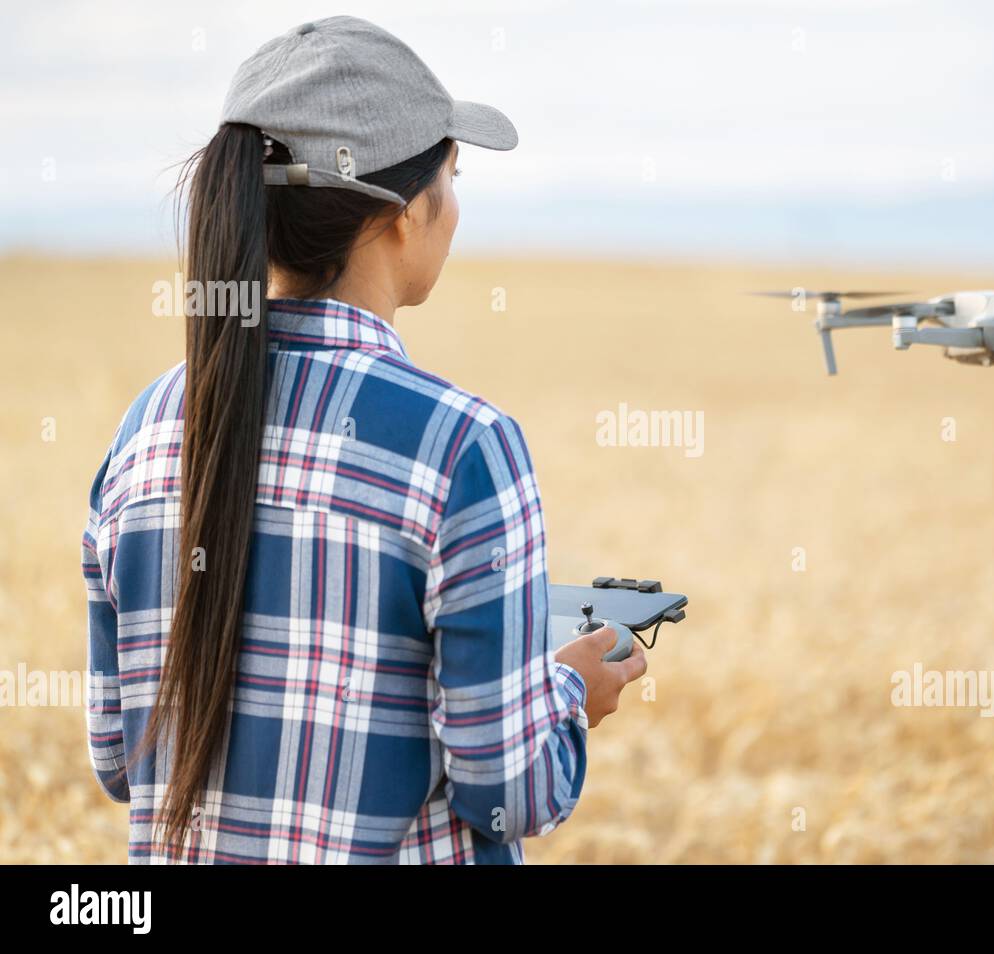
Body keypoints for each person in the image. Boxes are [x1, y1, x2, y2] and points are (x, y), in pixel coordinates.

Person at [79, 15, 645, 864]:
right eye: (451, 177)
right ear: (401, 213)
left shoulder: (146, 432)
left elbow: (121, 759)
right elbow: (509, 790)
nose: (455, 207)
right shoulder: (464, 446)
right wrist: (567, 691)